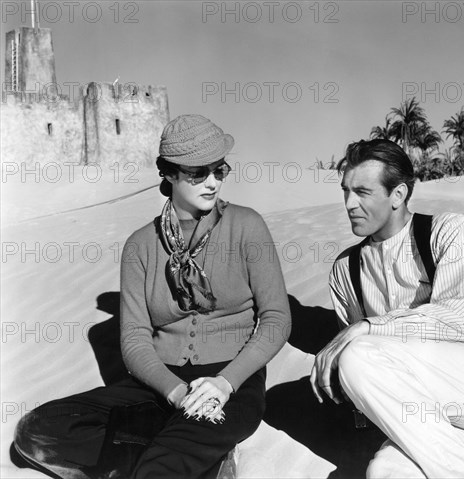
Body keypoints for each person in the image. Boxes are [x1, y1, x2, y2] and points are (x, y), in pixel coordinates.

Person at [13, 114, 291, 479]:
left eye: (219, 170)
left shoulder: (246, 226)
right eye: (198, 173)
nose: (212, 182)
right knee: (37, 430)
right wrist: (174, 392)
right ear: (170, 174)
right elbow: (134, 340)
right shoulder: (140, 247)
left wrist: (225, 383)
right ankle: (194, 460)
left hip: (230, 384)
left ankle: (160, 457)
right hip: (160, 385)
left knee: (161, 467)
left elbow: (276, 319)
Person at [310, 139, 464, 478]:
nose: (349, 204)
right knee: (385, 472)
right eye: (345, 191)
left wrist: (369, 327)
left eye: (362, 192)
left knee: (357, 354)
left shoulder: (447, 230)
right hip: (447, 427)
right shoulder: (345, 270)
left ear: (398, 194)